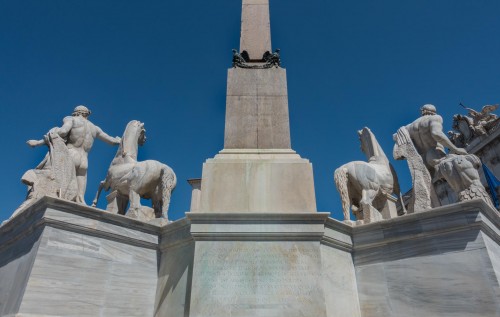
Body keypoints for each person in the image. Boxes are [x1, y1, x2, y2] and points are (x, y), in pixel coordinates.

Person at [27, 105, 121, 204]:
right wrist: (120, 140)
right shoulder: (95, 128)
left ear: (75, 113)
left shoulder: (71, 119)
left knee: (61, 187)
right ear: (86, 114)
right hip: (84, 160)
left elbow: (62, 132)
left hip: (71, 154)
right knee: (80, 196)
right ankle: (81, 201)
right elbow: (112, 141)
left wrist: (39, 141)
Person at [405, 104, 468, 172]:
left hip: (421, 162)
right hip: (435, 154)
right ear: (434, 112)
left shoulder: (408, 127)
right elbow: (436, 134)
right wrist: (455, 149)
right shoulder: (434, 118)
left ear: (423, 111)